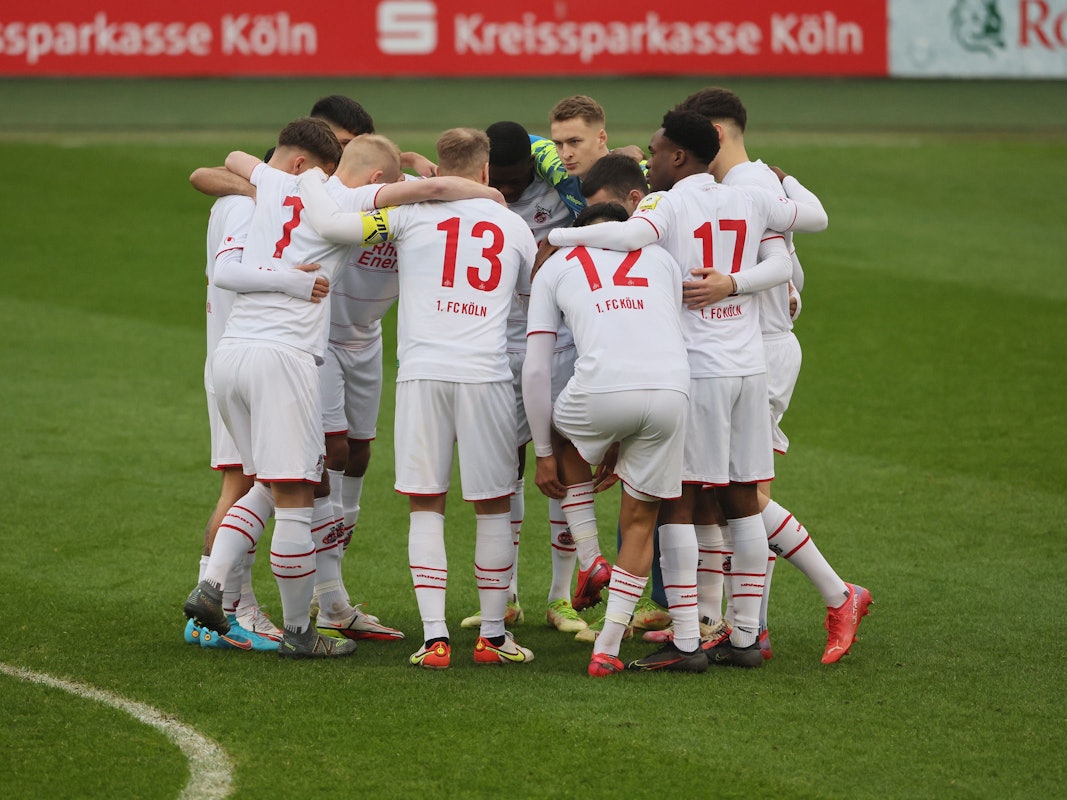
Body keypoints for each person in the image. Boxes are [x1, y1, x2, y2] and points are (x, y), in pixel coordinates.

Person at [183, 124, 506, 659]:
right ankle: (299, 633)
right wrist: (483, 193)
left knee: (261, 483)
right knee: (293, 497)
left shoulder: (275, 185)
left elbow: (235, 156)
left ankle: (214, 585)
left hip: (232, 354)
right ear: (375, 178)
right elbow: (427, 192)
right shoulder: (349, 204)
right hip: (283, 358)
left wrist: (272, 180)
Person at [549, 110, 828, 668]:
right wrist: (737, 282)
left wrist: (560, 235)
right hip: (748, 367)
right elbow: (811, 224)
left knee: (677, 501)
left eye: (654, 153)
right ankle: (746, 637)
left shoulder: (666, 203)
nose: (648, 165)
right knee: (744, 499)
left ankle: (686, 642)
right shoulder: (750, 199)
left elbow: (629, 235)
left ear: (679, 156)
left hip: (697, 368)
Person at [298, 128, 538, 670]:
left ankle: (434, 639)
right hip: (488, 375)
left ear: (436, 169)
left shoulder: (405, 216)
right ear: (484, 172)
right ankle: (495, 638)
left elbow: (340, 226)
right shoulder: (514, 226)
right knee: (493, 505)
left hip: (422, 374)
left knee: (425, 504)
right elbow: (528, 304)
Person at [675, 86, 872, 664]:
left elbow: (788, 255)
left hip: (756, 350)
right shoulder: (756, 181)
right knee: (715, 492)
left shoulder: (748, 186)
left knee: (746, 493)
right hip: (741, 347)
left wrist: (738, 285)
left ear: (715, 134)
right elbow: (812, 221)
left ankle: (833, 596)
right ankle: (721, 620)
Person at [525, 202, 699, 676]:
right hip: (671, 390)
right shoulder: (661, 258)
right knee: (642, 519)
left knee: (561, 438)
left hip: (600, 391)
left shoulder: (557, 264)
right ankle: (606, 649)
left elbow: (538, 368)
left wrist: (544, 452)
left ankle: (589, 557)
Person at [184, 155, 331, 653]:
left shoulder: (243, 201)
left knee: (254, 482)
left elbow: (204, 174)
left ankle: (223, 604)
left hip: (233, 357)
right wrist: (296, 279)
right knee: (246, 484)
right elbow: (230, 270)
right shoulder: (252, 210)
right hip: (256, 361)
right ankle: (227, 610)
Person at [451, 120, 588, 635]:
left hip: (559, 342)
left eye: (513, 180)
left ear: (531, 165)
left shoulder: (559, 185)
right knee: (503, 468)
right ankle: (505, 596)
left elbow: (614, 170)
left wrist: (560, 240)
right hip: (495, 343)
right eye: (497, 180)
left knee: (565, 465)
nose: (505, 190)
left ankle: (560, 598)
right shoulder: (469, 191)